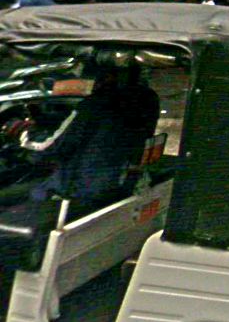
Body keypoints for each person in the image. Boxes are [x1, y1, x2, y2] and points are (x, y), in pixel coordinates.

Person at [18, 61, 160, 211]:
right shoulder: (147, 99)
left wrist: (24, 137)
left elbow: (53, 147)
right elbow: (105, 127)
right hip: (123, 182)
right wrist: (43, 119)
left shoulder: (93, 105)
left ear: (108, 77)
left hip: (82, 190)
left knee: (28, 193)